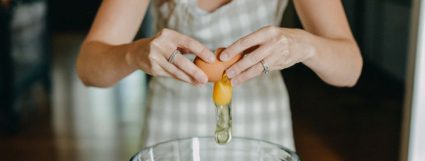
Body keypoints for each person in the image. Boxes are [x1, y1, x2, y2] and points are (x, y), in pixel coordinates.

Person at [76, 0, 362, 150]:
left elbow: (350, 69)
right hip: (171, 135)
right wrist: (133, 54)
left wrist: (304, 45)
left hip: (264, 134)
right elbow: (88, 68)